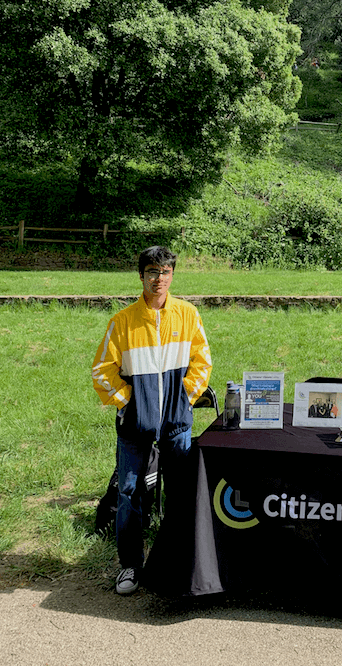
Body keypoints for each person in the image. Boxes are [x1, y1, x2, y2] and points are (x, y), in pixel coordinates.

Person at [92, 246, 212, 595]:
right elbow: (102, 371)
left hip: (176, 422)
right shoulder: (122, 321)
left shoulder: (188, 315)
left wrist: (185, 398)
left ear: (172, 275)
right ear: (141, 276)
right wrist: (126, 403)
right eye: (152, 272)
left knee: (179, 491)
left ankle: (177, 560)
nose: (158, 279)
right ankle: (131, 564)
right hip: (134, 426)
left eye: (165, 272)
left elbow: (202, 362)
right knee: (129, 493)